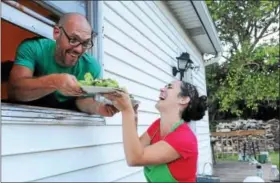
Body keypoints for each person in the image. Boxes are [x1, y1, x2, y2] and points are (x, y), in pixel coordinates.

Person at [7, 12, 118, 117]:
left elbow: (82, 101)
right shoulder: (33, 48)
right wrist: (55, 82)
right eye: (73, 39)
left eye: (85, 43)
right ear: (57, 33)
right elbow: (14, 91)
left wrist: (99, 108)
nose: (79, 49)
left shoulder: (92, 66)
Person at [104, 80, 208, 182]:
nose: (162, 89)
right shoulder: (157, 125)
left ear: (183, 99)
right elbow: (135, 148)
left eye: (169, 87)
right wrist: (133, 118)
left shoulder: (185, 138)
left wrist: (127, 111)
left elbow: (134, 158)